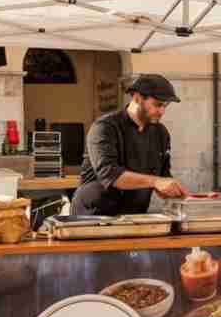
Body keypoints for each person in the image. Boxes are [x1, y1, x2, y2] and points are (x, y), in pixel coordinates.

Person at [71, 74, 189, 217]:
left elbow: (163, 176)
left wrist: (171, 190)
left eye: (165, 106)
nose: (162, 111)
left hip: (134, 216)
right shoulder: (104, 127)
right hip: (91, 216)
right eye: (158, 104)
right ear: (137, 98)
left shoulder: (161, 133)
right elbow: (110, 174)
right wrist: (156, 182)